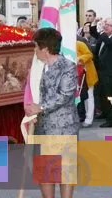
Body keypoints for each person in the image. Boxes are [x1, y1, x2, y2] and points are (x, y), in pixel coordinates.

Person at [24, 28, 79, 198]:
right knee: (45, 171)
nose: (35, 51)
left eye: (36, 47)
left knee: (65, 171)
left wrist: (40, 108)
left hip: (64, 127)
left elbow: (65, 95)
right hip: (43, 126)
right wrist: (33, 111)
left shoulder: (67, 67)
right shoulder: (38, 69)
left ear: (45, 49)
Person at [76, 40, 97, 127]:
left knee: (89, 97)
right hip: (76, 76)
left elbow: (89, 55)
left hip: (86, 75)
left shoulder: (79, 44)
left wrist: (79, 59)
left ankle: (89, 119)